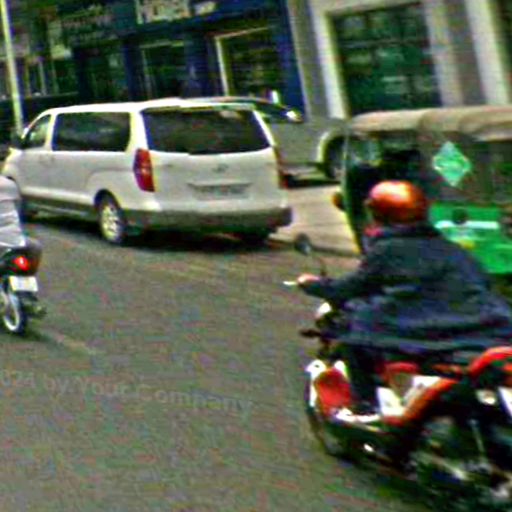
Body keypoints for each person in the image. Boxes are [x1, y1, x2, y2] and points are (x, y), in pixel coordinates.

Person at [298, 180, 512, 419]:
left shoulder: (388, 250)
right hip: (482, 326)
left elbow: (351, 287)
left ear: (377, 214)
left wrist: (313, 285)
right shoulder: (453, 249)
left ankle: (364, 405)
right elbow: (483, 283)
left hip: (416, 329)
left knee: (352, 338)